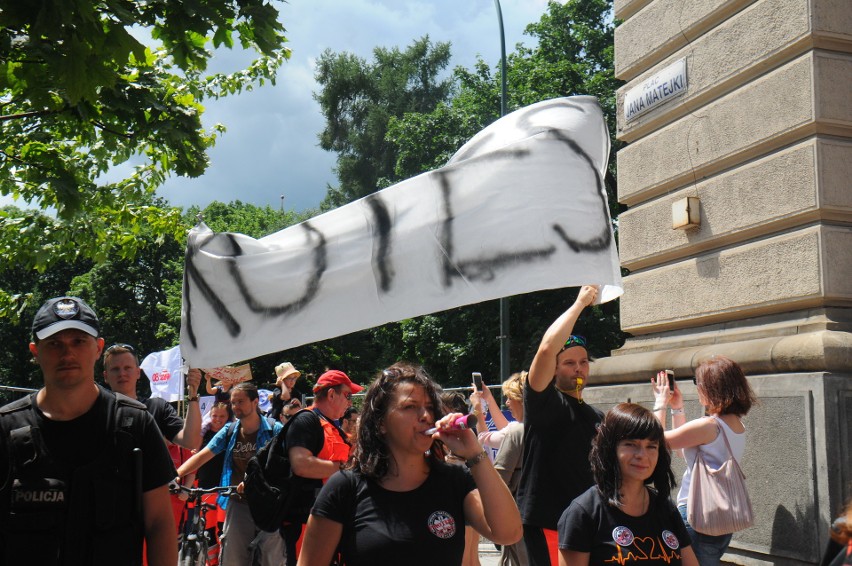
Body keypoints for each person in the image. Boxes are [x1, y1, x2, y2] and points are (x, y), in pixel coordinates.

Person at [0, 296, 177, 565]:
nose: (67, 353)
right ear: (35, 351)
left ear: (98, 348)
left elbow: (159, 523)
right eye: (54, 343)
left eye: (78, 341)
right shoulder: (7, 427)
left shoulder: (136, 424)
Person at [298, 362, 523, 566]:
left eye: (429, 406)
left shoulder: (454, 480)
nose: (425, 415)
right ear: (381, 423)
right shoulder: (345, 488)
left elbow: (508, 533)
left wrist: (474, 453)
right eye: (410, 407)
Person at [517, 285, 604, 566]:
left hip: (586, 523)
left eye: (582, 362)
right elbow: (546, 348)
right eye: (568, 362)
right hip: (548, 520)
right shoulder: (544, 402)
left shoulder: (597, 416)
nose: (578, 368)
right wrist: (579, 304)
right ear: (554, 369)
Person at [558, 403, 698, 566]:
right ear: (610, 448)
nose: (642, 455)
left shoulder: (666, 508)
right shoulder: (583, 513)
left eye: (651, 446)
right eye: (631, 444)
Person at [651, 357, 757, 565]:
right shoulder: (735, 425)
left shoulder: (709, 426)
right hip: (721, 517)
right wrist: (678, 407)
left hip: (696, 513)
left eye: (698, 382)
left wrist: (660, 403)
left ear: (712, 388)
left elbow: (654, 440)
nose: (697, 388)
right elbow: (684, 451)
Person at [177, 382, 285, 566]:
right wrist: (177, 473)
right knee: (232, 559)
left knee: (270, 560)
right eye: (233, 403)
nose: (235, 407)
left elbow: (286, 466)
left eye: (240, 402)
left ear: (255, 401)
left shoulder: (276, 430)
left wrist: (256, 483)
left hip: (269, 506)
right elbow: (204, 455)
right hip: (238, 504)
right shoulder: (230, 430)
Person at [282, 369, 361, 566]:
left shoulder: (330, 425)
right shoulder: (305, 420)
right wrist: (347, 471)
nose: (350, 402)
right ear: (331, 394)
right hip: (305, 521)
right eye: (347, 395)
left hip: (328, 519)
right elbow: (302, 465)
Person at [103, 343, 203, 450]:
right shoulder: (96, 410)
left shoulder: (157, 407)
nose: (122, 373)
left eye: (127, 368)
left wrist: (193, 395)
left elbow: (190, 442)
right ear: (106, 376)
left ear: (138, 373)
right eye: (115, 369)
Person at [491, 372, 528, 566]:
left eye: (509, 397)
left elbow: (496, 482)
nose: (506, 403)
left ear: (521, 399)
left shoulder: (517, 432)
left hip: (520, 520)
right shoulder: (552, 430)